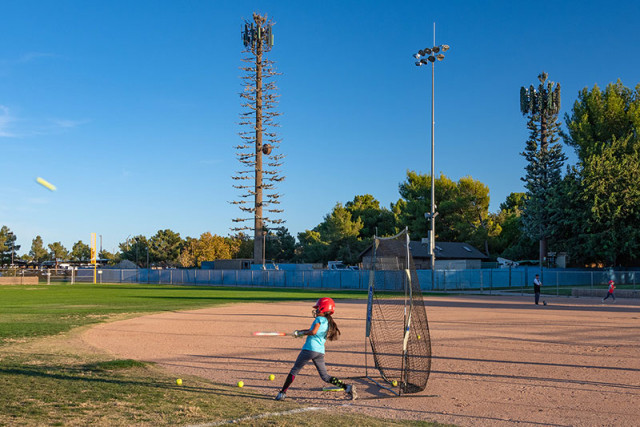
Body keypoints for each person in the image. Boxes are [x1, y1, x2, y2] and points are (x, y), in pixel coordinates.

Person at [275, 297, 356, 401]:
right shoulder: (327, 321)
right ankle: (347, 387)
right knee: (325, 376)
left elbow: (313, 332)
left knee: (294, 370)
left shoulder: (318, 319)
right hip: (319, 352)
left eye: (318, 308)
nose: (316, 310)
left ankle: (282, 393)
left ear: (323, 308)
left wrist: (302, 333)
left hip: (309, 349)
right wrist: (300, 332)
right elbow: (312, 330)